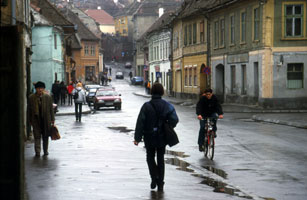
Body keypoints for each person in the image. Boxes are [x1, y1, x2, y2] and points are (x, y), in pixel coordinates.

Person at [134, 82, 179, 192]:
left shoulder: (146, 106)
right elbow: (175, 119)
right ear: (162, 92)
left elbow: (140, 122)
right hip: (162, 136)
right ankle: (161, 183)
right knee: (160, 158)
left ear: (151, 92)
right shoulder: (167, 105)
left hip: (149, 135)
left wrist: (137, 138)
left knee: (150, 157)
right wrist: (168, 126)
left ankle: (154, 177)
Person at [28, 81, 55, 157]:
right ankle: (37, 151)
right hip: (36, 119)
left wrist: (52, 119)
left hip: (46, 119)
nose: (40, 90)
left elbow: (51, 109)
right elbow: (29, 110)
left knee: (45, 136)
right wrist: (29, 120)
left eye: (41, 88)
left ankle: (45, 150)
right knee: (37, 136)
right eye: (38, 88)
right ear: (36, 89)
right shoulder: (31, 97)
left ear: (43, 89)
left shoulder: (48, 97)